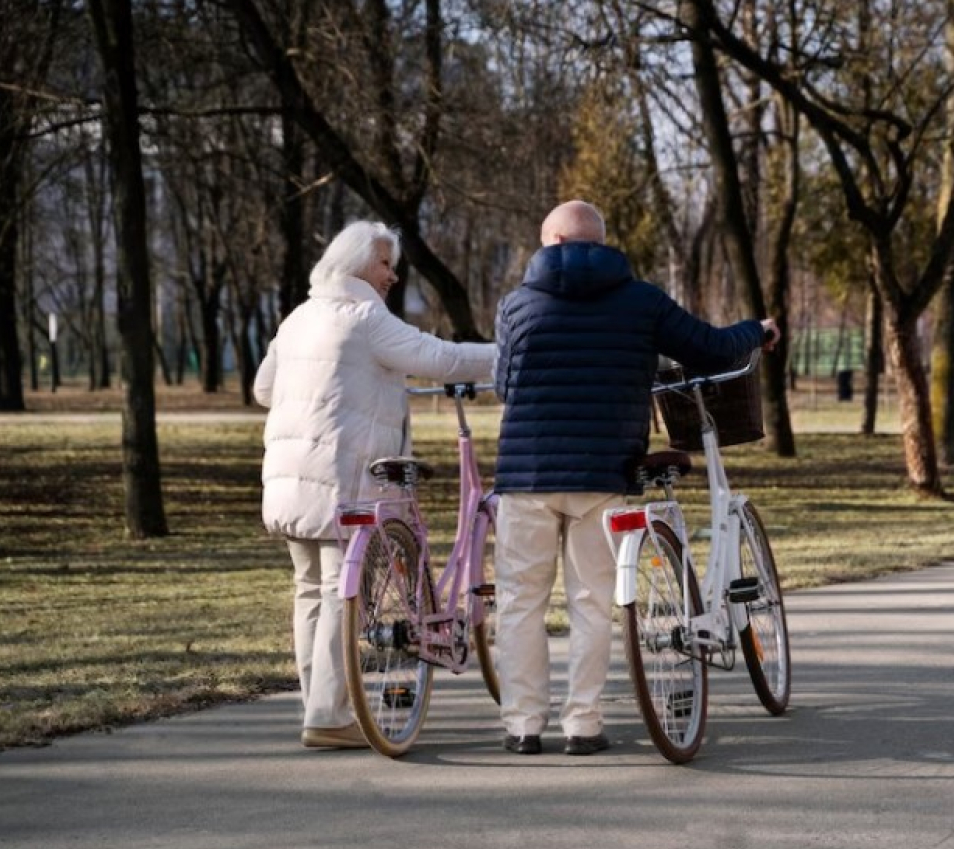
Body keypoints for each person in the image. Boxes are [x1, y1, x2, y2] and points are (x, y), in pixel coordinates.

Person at [492, 200, 779, 756]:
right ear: (600, 243)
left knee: (519, 603)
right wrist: (755, 330)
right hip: (604, 471)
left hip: (526, 474)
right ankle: (583, 725)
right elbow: (710, 347)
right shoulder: (641, 300)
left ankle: (523, 726)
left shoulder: (516, 305)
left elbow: (505, 385)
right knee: (592, 603)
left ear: (549, 241)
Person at [254, 220, 496, 750]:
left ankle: (324, 707)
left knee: (311, 592)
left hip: (289, 481)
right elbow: (442, 358)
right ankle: (327, 713)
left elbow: (263, 388)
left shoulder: (298, 318)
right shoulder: (366, 319)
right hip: (346, 482)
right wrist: (507, 354)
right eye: (385, 263)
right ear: (356, 263)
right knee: (344, 596)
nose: (392, 275)